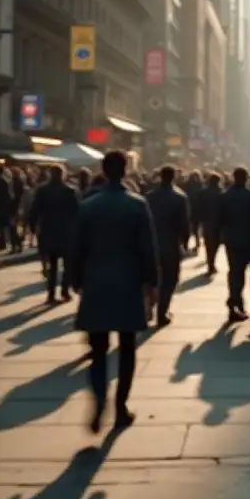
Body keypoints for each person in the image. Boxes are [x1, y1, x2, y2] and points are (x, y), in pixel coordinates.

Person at [73, 150, 159, 433]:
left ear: (103, 169)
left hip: (96, 283)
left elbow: (77, 249)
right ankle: (120, 406)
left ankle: (99, 400)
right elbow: (148, 249)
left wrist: (76, 280)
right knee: (127, 348)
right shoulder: (137, 205)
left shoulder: (88, 206)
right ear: (125, 171)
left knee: (97, 350)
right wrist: (152, 283)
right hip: (128, 283)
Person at [28, 164, 80, 303]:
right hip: (66, 233)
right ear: (63, 175)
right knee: (67, 265)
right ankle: (64, 290)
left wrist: (32, 228)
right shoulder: (70, 191)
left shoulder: (42, 191)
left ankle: (51, 293)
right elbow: (77, 213)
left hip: (48, 231)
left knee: (52, 264)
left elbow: (35, 211)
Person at [145, 165, 191, 326]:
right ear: (174, 177)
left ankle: (150, 303)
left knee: (151, 278)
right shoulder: (180, 197)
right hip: (171, 244)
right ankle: (162, 312)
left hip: (151, 244)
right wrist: (185, 243)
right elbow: (184, 224)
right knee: (170, 279)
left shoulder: (149, 196)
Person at [219, 167, 250, 323]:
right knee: (243, 273)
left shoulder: (225, 196)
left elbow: (220, 219)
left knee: (234, 271)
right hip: (249, 240)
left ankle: (236, 302)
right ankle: (235, 302)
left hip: (231, 239)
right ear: (246, 178)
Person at [197, 172, 223, 275]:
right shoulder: (221, 192)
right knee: (216, 244)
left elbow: (199, 206)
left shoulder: (203, 192)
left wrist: (200, 219)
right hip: (218, 222)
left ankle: (210, 264)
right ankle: (212, 263)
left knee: (208, 244)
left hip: (207, 222)